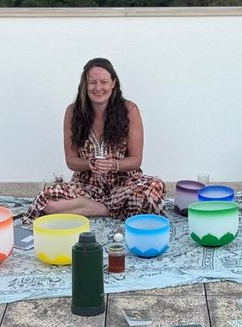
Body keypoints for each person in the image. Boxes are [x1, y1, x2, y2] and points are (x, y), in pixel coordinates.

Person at [26, 57, 166, 222]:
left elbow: (136, 160)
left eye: (104, 82)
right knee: (46, 202)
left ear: (113, 83)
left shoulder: (129, 110)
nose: (98, 88)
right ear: (85, 85)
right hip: (86, 185)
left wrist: (114, 165)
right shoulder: (72, 112)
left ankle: (93, 207)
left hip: (124, 183)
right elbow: (71, 161)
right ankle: (113, 209)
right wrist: (90, 164)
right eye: (92, 82)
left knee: (154, 187)